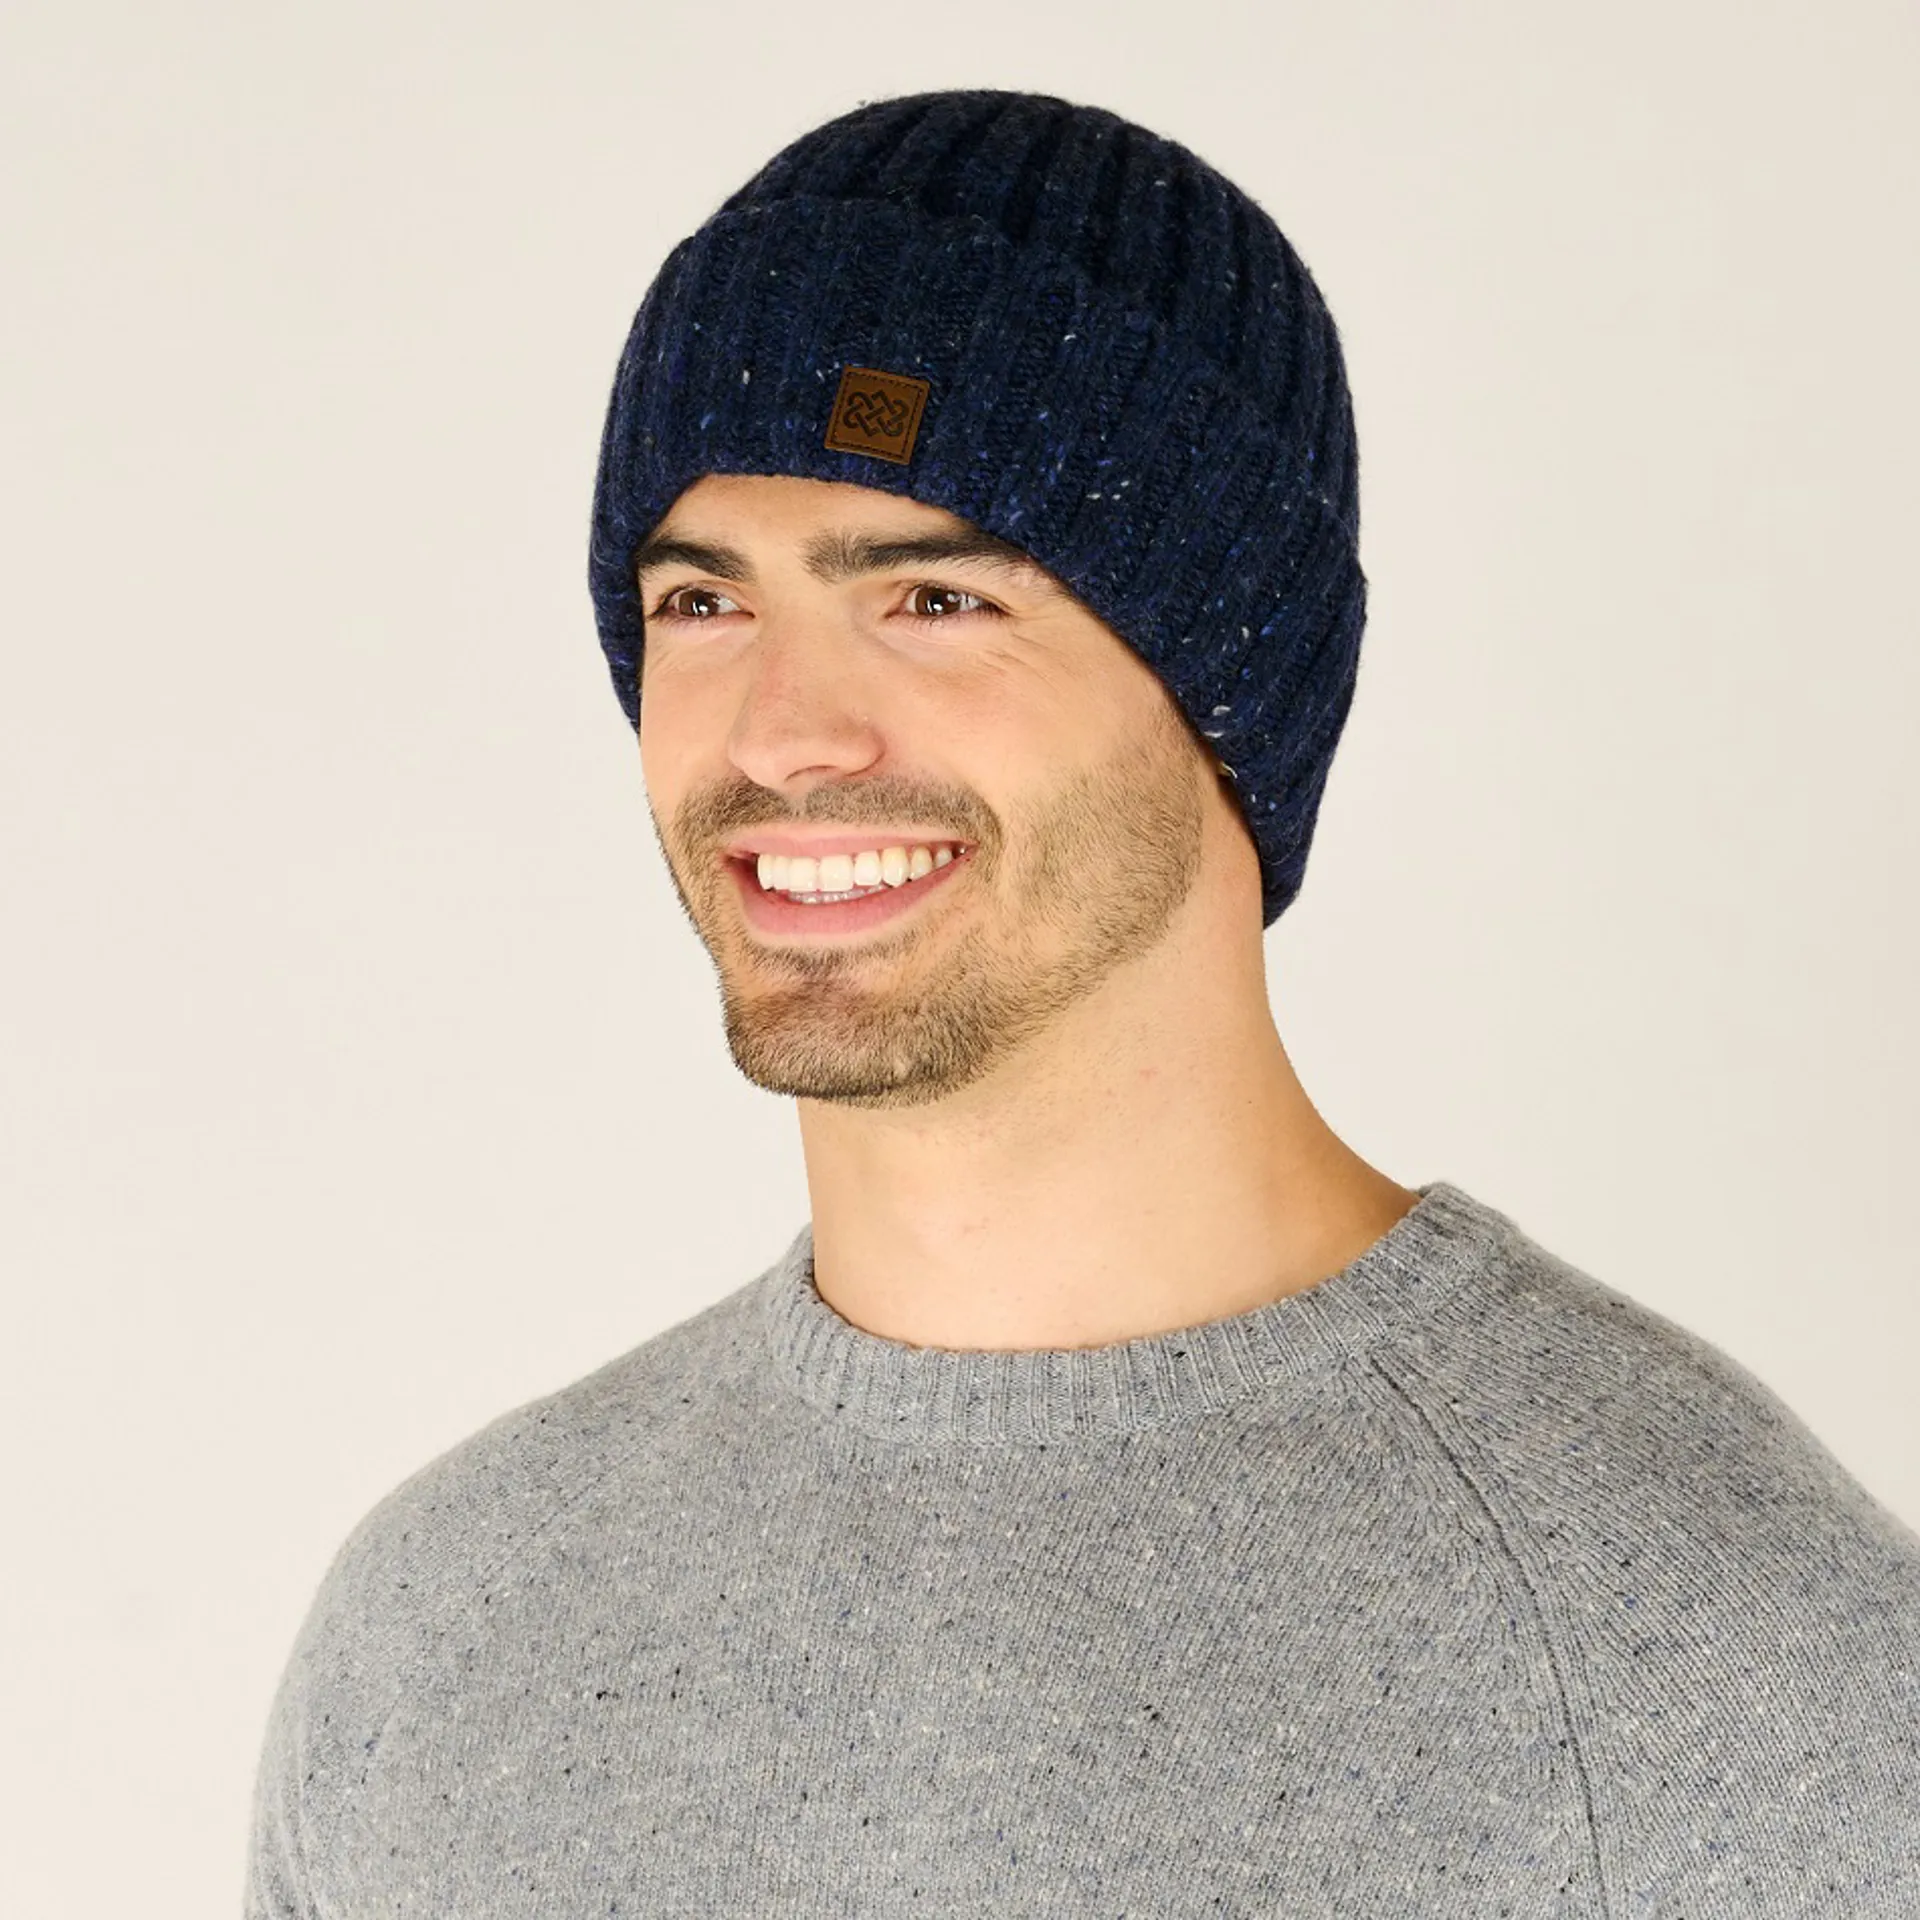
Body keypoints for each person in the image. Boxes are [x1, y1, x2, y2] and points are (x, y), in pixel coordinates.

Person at [245, 89, 1920, 1917]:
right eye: (704, 606)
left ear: (1227, 695)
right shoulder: (445, 1634)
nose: (785, 736)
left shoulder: (1722, 1673)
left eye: (937, 599)